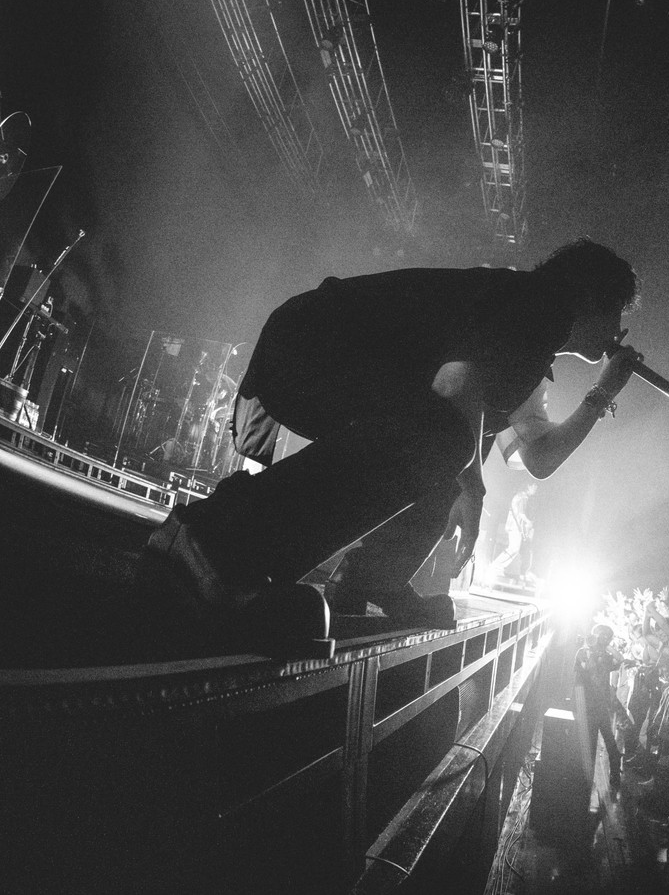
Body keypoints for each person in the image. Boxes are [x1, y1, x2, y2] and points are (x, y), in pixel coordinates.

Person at [136, 238, 641, 659]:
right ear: (589, 297)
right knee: (446, 445)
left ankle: (371, 578)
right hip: (316, 343)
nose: (617, 331)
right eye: (617, 311)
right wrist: (473, 488)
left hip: (315, 343)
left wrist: (602, 391)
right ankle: (214, 543)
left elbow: (534, 455)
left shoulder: (531, 325)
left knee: (451, 447)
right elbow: (453, 385)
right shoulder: (537, 311)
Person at [575, 623, 623, 787]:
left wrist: (606, 646)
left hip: (600, 704)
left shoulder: (606, 656)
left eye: (605, 636)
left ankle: (615, 773)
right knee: (587, 740)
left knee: (609, 739)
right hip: (586, 703)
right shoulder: (583, 652)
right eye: (598, 634)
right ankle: (584, 778)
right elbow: (582, 672)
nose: (601, 638)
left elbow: (620, 660)